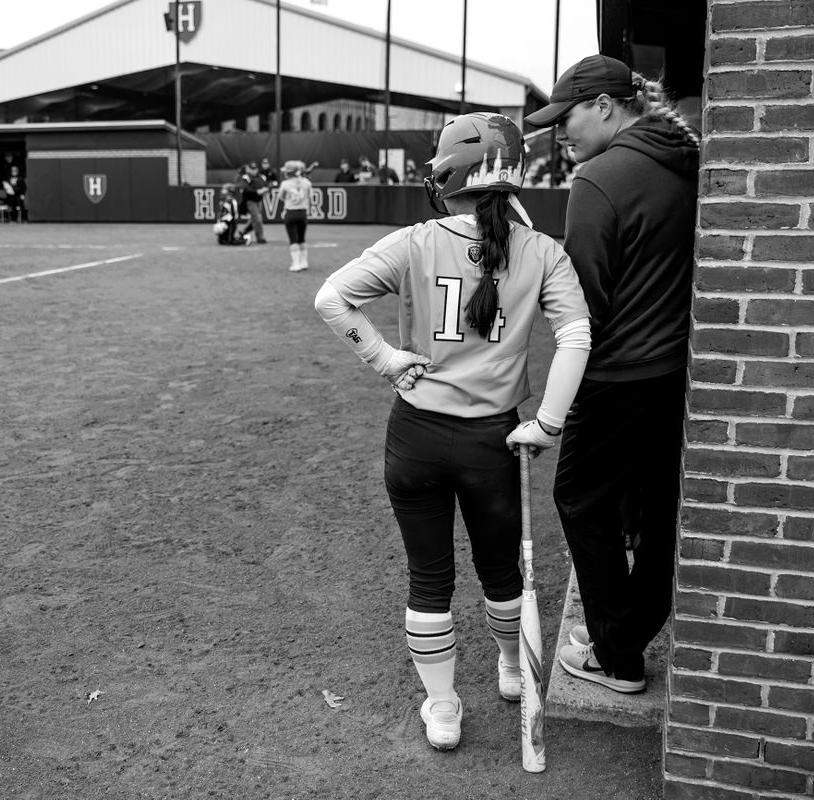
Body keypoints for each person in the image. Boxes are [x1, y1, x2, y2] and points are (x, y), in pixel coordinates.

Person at [314, 112, 591, 751]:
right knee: (501, 572)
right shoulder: (543, 250)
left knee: (428, 576)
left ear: (448, 174)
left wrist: (384, 359)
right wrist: (547, 424)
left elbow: (332, 298)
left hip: (414, 436)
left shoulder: (414, 241)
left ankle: (442, 707)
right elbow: (576, 336)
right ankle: (511, 669)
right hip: (493, 440)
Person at [523, 54, 700, 695]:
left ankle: (617, 653)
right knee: (656, 513)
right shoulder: (685, 154)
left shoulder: (598, 178)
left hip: (618, 372)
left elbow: (584, 305)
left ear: (603, 106)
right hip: (675, 372)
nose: (558, 134)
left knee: (580, 499)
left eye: (564, 118)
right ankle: (625, 631)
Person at [278, 160, 313, 272]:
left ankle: (296, 264)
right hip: (303, 213)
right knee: (302, 238)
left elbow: (281, 197)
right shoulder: (307, 182)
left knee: (293, 239)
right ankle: (304, 263)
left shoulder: (285, 184)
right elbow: (310, 197)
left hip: (291, 212)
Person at [237, 162, 267, 244]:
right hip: (250, 201)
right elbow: (244, 188)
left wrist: (265, 189)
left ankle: (243, 232)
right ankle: (260, 237)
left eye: (255, 169)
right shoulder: (246, 177)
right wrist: (256, 191)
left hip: (259, 201)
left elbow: (266, 186)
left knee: (254, 219)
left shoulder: (262, 177)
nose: (253, 171)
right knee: (257, 219)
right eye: (252, 169)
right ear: (249, 169)